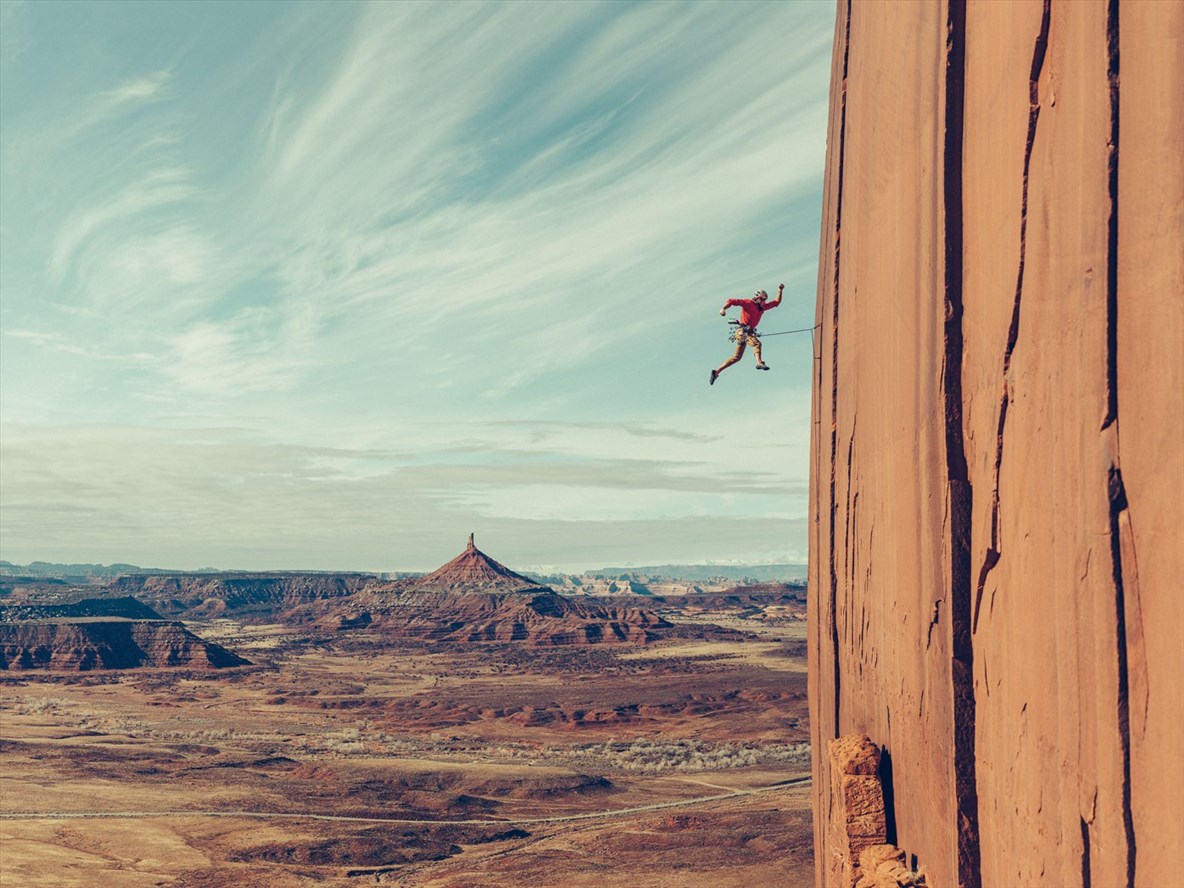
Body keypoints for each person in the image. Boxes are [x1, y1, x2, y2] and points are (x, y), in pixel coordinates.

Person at [710, 283, 783, 384]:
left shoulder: (762, 308)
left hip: (747, 333)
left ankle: (716, 372)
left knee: (737, 357)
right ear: (757, 298)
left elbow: (776, 302)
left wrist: (780, 290)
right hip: (742, 331)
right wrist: (723, 309)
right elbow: (732, 301)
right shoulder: (748, 303)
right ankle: (759, 362)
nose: (763, 302)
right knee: (757, 343)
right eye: (761, 300)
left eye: (764, 300)